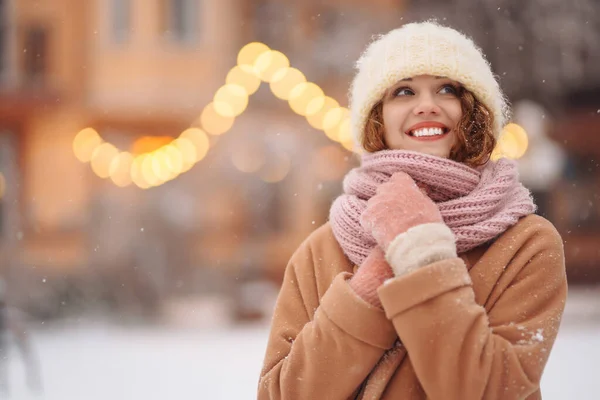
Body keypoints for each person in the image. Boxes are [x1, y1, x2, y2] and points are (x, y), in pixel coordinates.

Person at [257, 21, 567, 400]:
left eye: (447, 89)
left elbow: (495, 391)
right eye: (404, 91)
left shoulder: (527, 245)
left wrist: (421, 255)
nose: (426, 105)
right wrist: (365, 294)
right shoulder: (322, 249)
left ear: (473, 113)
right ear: (377, 119)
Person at [0, 278, 43, 395]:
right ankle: (5, 388)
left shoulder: (7, 311)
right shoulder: (6, 311)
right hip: (7, 339)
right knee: (3, 365)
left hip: (9, 338)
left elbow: (13, 324)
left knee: (6, 364)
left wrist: (19, 332)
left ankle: (33, 384)